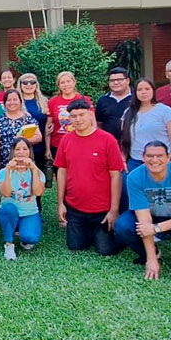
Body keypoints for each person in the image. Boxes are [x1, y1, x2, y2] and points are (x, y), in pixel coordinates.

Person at [115, 142, 171, 279]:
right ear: (143, 157)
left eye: (160, 155)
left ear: (169, 157)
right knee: (123, 226)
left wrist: (156, 228)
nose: (155, 160)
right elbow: (144, 220)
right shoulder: (135, 177)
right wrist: (151, 259)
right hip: (150, 216)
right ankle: (149, 252)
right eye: (150, 156)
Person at [55, 99, 125, 256]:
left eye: (82, 115)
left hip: (101, 209)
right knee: (76, 247)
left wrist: (113, 209)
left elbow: (116, 175)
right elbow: (62, 171)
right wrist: (61, 203)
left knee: (105, 250)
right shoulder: (66, 140)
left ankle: (107, 233)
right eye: (74, 116)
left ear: (90, 115)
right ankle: (88, 232)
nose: (78, 119)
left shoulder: (107, 140)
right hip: (76, 208)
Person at [0, 138, 45, 259]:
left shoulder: (37, 172)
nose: (21, 152)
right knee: (8, 209)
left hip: (29, 212)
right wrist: (8, 170)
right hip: (9, 210)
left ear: (29, 151)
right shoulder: (3, 172)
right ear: (13, 152)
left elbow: (38, 192)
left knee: (30, 238)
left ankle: (22, 231)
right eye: (17, 149)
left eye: (24, 149)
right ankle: (9, 244)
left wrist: (33, 169)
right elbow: (6, 193)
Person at [119, 78, 171, 173]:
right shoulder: (128, 112)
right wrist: (123, 159)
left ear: (153, 91)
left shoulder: (165, 111)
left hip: (160, 161)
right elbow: (124, 138)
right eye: (139, 90)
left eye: (147, 89)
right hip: (136, 161)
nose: (143, 92)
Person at [45, 71, 93, 160]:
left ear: (74, 82)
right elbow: (48, 127)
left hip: (80, 142)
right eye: (62, 83)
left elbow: (92, 123)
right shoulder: (53, 101)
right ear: (58, 86)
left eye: (68, 81)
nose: (66, 85)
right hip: (58, 144)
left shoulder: (84, 99)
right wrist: (47, 149)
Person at [17, 73, 50, 166]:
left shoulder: (44, 102)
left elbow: (50, 122)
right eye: (25, 82)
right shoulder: (15, 102)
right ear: (20, 85)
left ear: (36, 85)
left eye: (32, 82)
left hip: (41, 147)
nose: (29, 85)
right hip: (22, 148)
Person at [96, 67, 132, 141]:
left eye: (119, 80)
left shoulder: (136, 98)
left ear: (128, 81)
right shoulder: (103, 100)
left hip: (133, 143)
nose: (115, 83)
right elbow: (99, 124)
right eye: (112, 80)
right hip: (109, 143)